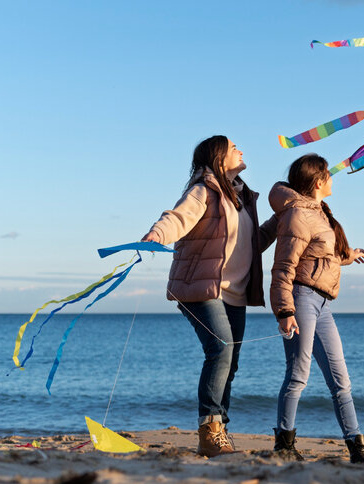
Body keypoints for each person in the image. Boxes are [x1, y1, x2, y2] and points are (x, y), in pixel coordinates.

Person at [142, 135, 277, 457]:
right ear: (218, 157)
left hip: (235, 292)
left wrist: (279, 221)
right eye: (234, 147)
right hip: (201, 288)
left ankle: (220, 431)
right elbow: (179, 218)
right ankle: (209, 430)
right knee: (221, 350)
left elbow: (252, 242)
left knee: (230, 362)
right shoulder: (203, 189)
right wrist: (156, 234)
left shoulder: (243, 198)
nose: (241, 150)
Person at [268, 153, 364, 464]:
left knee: (341, 379)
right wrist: (284, 311)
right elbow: (283, 268)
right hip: (301, 300)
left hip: (323, 303)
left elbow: (319, 259)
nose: (332, 179)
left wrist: (347, 257)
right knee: (298, 374)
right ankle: (285, 445)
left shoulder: (319, 212)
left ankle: (357, 447)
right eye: (329, 174)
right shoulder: (298, 215)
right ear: (318, 182)